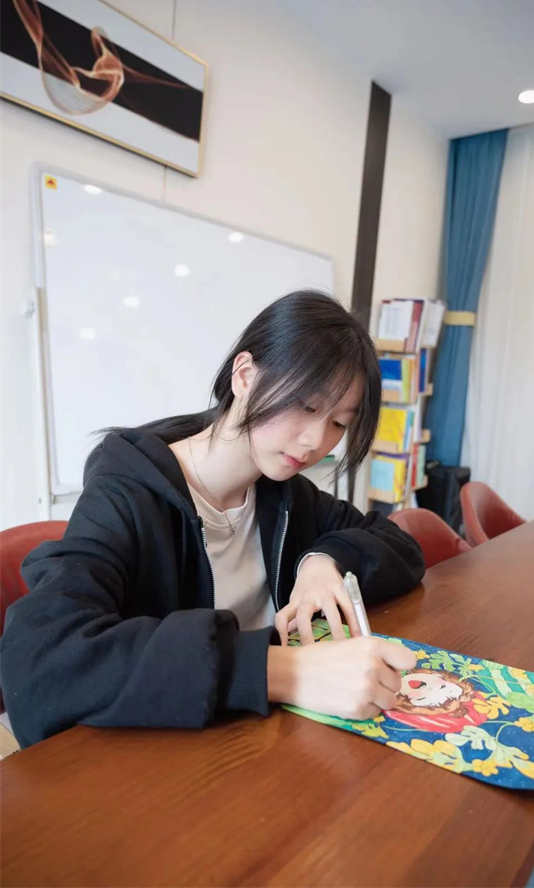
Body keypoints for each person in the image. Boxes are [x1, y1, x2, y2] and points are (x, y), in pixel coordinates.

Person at [1, 291, 424, 748]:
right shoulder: (128, 493)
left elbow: (397, 543)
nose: (315, 441)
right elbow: (41, 659)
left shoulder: (282, 493)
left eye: (339, 423)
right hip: (161, 757)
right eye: (306, 405)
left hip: (257, 741)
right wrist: (288, 672)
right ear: (244, 376)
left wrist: (322, 561)